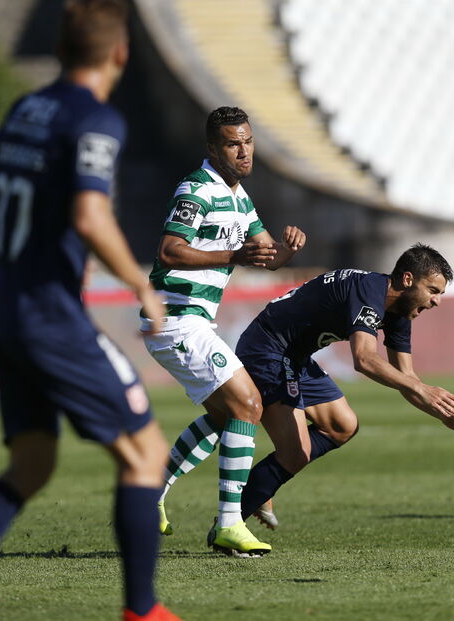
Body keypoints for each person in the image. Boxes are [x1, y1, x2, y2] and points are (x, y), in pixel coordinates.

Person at [0, 2, 179, 620]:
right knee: (145, 453)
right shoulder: (97, 119)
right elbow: (89, 216)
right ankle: (143, 611)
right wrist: (141, 283)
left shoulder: (26, 108)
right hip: (51, 317)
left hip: (1, 309)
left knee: (32, 464)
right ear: (120, 54)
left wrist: (28, 238)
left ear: (60, 51)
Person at [142, 106, 306, 557]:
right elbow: (170, 251)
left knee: (225, 416)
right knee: (247, 403)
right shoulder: (197, 190)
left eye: (248, 141)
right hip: (174, 316)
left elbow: (263, 254)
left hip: (192, 320)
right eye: (234, 144)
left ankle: (151, 493)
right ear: (213, 149)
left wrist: (287, 252)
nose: (244, 151)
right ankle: (229, 524)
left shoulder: (240, 197)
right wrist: (232, 256)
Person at [233, 243, 454, 525]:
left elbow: (408, 379)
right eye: (433, 290)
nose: (437, 301)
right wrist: (423, 390)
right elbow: (364, 359)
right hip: (266, 349)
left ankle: (262, 483)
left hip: (295, 357)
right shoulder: (369, 289)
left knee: (342, 425)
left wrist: (442, 414)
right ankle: (230, 524)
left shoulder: (400, 311)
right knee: (295, 453)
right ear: (408, 279)